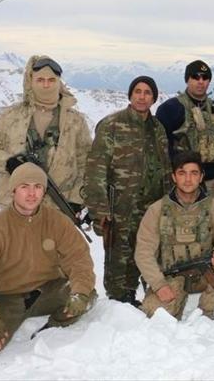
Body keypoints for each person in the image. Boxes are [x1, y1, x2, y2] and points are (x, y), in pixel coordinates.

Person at [0, 163, 96, 354]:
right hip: (7, 298)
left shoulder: (58, 222)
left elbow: (79, 259)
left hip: (48, 291)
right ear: (13, 190)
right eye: (25, 187)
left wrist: (80, 293)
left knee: (86, 296)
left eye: (38, 187)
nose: (32, 193)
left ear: (44, 192)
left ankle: (55, 324)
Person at [84, 75, 172, 306]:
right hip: (120, 207)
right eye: (138, 92)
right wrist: (100, 210)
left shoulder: (158, 128)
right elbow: (95, 171)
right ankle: (117, 302)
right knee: (119, 257)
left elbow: (165, 167)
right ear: (130, 95)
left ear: (154, 97)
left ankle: (142, 296)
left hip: (152, 206)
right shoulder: (111, 125)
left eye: (147, 93)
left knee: (146, 252)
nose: (142, 97)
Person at [134, 151, 214, 320]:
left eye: (194, 173)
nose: (188, 179)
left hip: (204, 273)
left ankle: (205, 312)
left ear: (201, 177)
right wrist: (159, 285)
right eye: (182, 173)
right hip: (171, 277)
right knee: (153, 315)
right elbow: (143, 252)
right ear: (174, 177)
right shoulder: (157, 210)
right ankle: (177, 301)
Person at [0, 55, 91, 210]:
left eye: (51, 80)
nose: (46, 85)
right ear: (31, 82)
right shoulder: (12, 116)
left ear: (59, 82)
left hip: (59, 205)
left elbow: (86, 162)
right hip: (15, 204)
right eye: (40, 80)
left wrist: (76, 199)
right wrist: (8, 162)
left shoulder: (75, 121)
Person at [156, 60, 214, 193]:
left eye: (205, 78)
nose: (200, 81)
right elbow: (160, 147)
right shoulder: (170, 108)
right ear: (187, 80)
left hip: (210, 181)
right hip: (182, 181)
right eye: (195, 77)